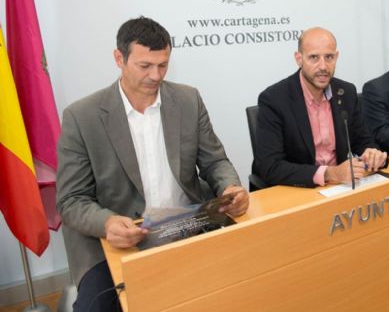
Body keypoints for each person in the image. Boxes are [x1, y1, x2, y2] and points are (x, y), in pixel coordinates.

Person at [56, 16, 249, 312]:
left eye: (163, 65)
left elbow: (215, 161)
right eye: (145, 66)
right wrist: (107, 223)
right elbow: (71, 200)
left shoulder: (188, 99)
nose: (155, 75)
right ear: (119, 58)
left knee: (248, 280)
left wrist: (230, 187)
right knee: (98, 307)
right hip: (117, 238)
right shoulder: (82, 116)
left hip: (188, 223)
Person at [254, 27, 387, 188]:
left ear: (336, 57)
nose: (323, 66)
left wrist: (372, 154)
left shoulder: (346, 92)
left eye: (329, 57)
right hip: (299, 189)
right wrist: (330, 173)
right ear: (299, 59)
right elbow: (270, 166)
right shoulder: (274, 99)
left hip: (340, 187)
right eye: (314, 57)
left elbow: (362, 141)